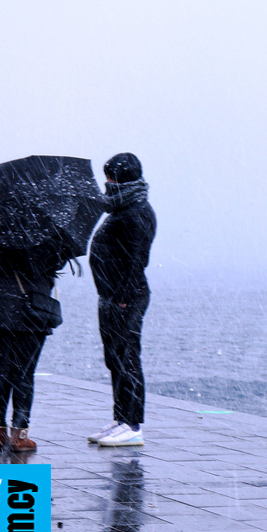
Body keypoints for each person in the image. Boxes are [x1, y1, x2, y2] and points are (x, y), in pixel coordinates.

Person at [87, 153, 156, 447]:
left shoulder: (137, 211)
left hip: (126, 297)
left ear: (124, 178)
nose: (107, 183)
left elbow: (136, 260)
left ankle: (133, 424)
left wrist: (124, 298)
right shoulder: (121, 208)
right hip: (111, 296)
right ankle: (121, 418)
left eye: (111, 177)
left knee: (128, 358)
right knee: (115, 358)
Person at [0, 242, 66, 452]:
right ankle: (19, 434)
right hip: (31, 306)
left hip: (0, 304)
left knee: (2, 368)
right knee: (24, 372)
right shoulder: (44, 231)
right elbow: (52, 264)